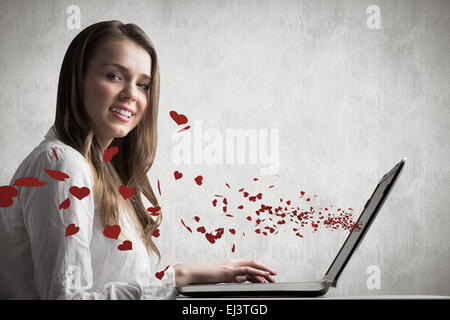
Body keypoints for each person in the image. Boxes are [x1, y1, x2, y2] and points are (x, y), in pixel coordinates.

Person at [0, 20, 276, 300]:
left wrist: (185, 279)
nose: (131, 93)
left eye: (143, 84)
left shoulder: (101, 170)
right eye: (114, 76)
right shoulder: (60, 163)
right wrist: (180, 276)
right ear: (78, 79)